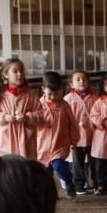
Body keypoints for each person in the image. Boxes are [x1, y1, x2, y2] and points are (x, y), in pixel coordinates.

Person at [0, 58, 40, 159]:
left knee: (25, 168)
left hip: (26, 142)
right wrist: (5, 117)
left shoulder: (31, 95)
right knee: (7, 168)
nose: (20, 74)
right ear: (6, 75)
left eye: (21, 71)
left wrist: (27, 117)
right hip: (5, 142)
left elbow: (40, 113)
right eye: (15, 71)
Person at [38, 70, 80, 198]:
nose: (53, 97)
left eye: (57, 94)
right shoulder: (38, 105)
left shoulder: (64, 105)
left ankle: (68, 181)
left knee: (59, 165)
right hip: (42, 145)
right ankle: (50, 193)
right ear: (43, 89)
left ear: (62, 90)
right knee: (46, 172)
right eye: (50, 94)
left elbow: (72, 123)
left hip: (60, 143)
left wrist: (74, 139)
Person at [65, 70, 96, 194]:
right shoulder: (68, 99)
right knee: (77, 162)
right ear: (72, 84)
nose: (82, 81)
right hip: (76, 136)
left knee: (93, 160)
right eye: (78, 79)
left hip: (93, 135)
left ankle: (94, 183)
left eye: (84, 79)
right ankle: (79, 185)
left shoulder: (95, 98)